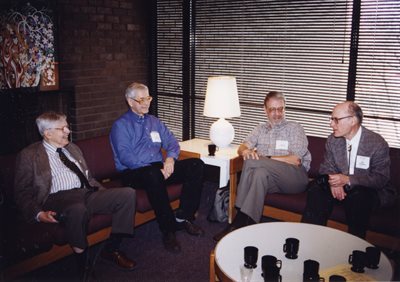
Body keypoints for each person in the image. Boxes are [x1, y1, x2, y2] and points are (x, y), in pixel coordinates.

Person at [14, 112, 137, 280]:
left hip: (86, 192)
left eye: (67, 126)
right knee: (77, 209)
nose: (67, 131)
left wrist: (104, 194)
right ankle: (83, 264)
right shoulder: (29, 155)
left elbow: (89, 178)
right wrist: (38, 214)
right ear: (47, 133)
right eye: (62, 128)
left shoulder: (72, 148)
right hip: (56, 199)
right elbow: (22, 192)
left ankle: (111, 249)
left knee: (127, 195)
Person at [110, 82, 205, 254]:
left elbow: (172, 143)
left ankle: (183, 217)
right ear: (130, 102)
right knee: (153, 174)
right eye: (141, 99)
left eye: (148, 98)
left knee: (196, 165)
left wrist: (170, 160)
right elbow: (126, 157)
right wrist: (154, 170)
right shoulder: (121, 125)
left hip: (158, 168)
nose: (146, 103)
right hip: (133, 172)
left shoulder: (154, 121)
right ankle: (168, 230)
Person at [213, 91, 311, 242]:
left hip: (294, 178)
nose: (277, 113)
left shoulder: (294, 128)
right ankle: (249, 228)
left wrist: (266, 158)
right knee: (259, 174)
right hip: (272, 180)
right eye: (272, 109)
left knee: (253, 161)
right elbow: (243, 146)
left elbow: (296, 160)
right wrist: (245, 150)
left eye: (280, 109)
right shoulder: (260, 129)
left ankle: (237, 215)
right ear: (265, 110)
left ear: (285, 109)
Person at [302, 101, 396, 238]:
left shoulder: (376, 143)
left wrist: (347, 180)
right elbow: (326, 167)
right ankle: (309, 238)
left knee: (359, 197)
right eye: (331, 119)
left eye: (336, 120)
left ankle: (356, 248)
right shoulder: (333, 140)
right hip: (341, 188)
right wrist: (333, 182)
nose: (331, 124)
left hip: (368, 191)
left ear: (352, 121)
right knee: (316, 189)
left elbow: (380, 178)